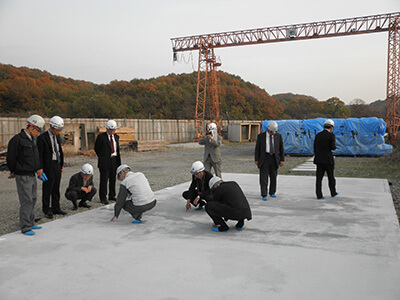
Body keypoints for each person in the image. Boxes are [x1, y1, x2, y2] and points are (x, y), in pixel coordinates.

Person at [6, 115, 46, 236]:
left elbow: (35, 157)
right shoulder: (18, 140)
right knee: (26, 200)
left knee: (33, 198)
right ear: (31, 126)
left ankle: (30, 221)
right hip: (22, 175)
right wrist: (13, 171)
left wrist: (39, 168)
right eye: (37, 130)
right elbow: (11, 158)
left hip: (31, 174)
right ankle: (25, 226)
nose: (38, 133)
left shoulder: (32, 141)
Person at [37, 115, 66, 219]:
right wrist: (40, 168)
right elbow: (39, 155)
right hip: (48, 166)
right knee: (47, 188)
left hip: (57, 165)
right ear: (52, 127)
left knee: (56, 187)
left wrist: (61, 164)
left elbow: (59, 151)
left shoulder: (57, 137)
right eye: (57, 130)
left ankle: (56, 207)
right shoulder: (42, 138)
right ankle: (46, 209)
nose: (59, 132)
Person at [254, 121, 285, 201]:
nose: (272, 134)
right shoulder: (261, 136)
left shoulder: (278, 136)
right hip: (264, 158)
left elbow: (281, 149)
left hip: (274, 158)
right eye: (271, 132)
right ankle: (264, 194)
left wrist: (282, 159)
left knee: (273, 176)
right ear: (268, 130)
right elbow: (257, 149)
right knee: (263, 178)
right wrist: (256, 159)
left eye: (274, 132)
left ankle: (272, 192)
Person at [94, 119, 121, 204]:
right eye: (110, 130)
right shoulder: (101, 137)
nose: (112, 132)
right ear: (107, 129)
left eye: (113, 130)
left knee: (113, 179)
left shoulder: (116, 137)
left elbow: (117, 149)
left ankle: (112, 195)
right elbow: (96, 149)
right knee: (104, 179)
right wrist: (102, 157)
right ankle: (103, 197)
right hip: (105, 161)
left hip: (114, 159)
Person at [313, 119, 338, 199]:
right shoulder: (331, 136)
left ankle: (319, 194)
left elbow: (315, 148)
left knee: (319, 178)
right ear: (331, 127)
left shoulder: (318, 135)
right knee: (331, 177)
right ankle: (333, 192)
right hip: (328, 160)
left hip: (319, 160)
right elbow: (333, 147)